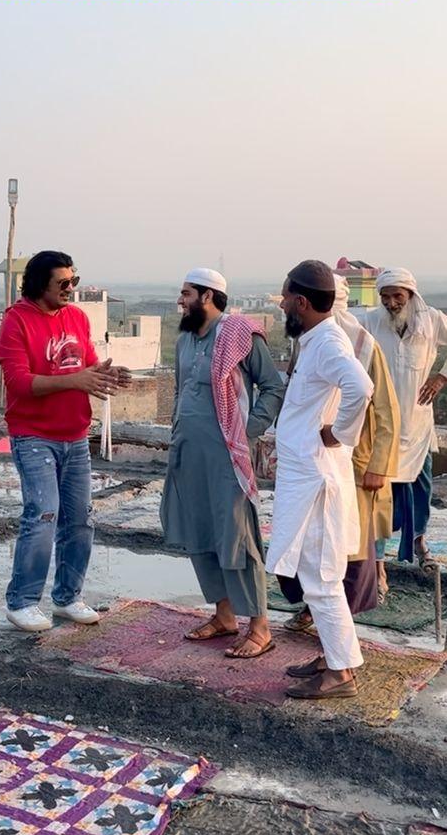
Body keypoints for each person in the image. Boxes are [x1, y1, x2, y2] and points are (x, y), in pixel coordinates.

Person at [0, 250, 130, 632]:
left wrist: (106, 374)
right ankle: (22, 601)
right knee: (42, 515)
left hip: (75, 435)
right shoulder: (16, 322)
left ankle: (68, 597)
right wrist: (77, 380)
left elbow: (86, 365)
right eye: (64, 283)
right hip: (34, 436)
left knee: (80, 520)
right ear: (40, 284)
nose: (72, 289)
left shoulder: (76, 317)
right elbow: (20, 383)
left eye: (75, 280)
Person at [160, 268, 284, 658]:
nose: (180, 300)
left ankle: (259, 626)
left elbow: (273, 386)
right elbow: (181, 392)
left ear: (208, 296)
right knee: (200, 532)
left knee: (236, 535)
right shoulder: (184, 340)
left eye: (186, 293)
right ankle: (224, 615)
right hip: (188, 450)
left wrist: (249, 428)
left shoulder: (239, 334)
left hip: (228, 453)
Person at [266, 260, 373, 700]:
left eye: (287, 299)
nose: (283, 306)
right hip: (305, 477)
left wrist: (338, 432)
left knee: (321, 577)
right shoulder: (315, 339)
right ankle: (333, 657)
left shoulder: (328, 342)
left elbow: (361, 388)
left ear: (302, 302)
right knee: (314, 574)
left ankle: (341, 674)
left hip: (316, 483)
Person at [278, 274, 400, 623]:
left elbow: (383, 409)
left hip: (355, 462)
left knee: (348, 549)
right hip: (316, 460)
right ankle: (315, 610)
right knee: (309, 546)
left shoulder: (359, 344)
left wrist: (377, 463)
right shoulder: (309, 341)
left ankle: (338, 617)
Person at [353, 267, 447, 579]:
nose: (392, 303)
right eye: (386, 297)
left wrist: (440, 376)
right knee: (379, 497)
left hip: (418, 424)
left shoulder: (432, 320)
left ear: (410, 295)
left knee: (420, 489)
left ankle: (419, 544)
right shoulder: (370, 320)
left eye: (397, 296)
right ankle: (377, 566)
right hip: (381, 426)